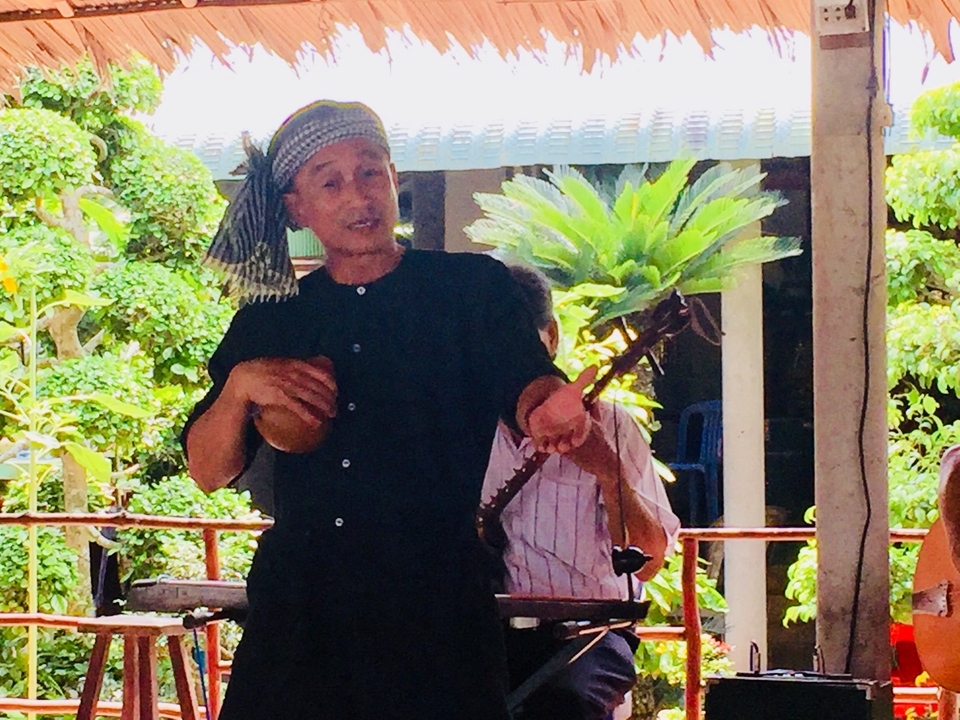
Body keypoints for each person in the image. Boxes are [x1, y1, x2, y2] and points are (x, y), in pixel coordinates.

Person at [183, 100, 600, 720]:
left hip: (433, 607)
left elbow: (528, 385)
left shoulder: (470, 289)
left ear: (394, 177)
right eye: (330, 181)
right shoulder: (272, 318)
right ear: (296, 207)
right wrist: (241, 386)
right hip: (300, 612)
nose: (359, 195)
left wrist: (549, 412)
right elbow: (207, 469)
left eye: (370, 172)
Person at [481, 264, 680, 720]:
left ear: (550, 337)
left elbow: (647, 562)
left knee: (559, 705)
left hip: (587, 632)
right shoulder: (457, 430)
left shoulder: (610, 425)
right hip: (484, 630)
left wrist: (608, 470)